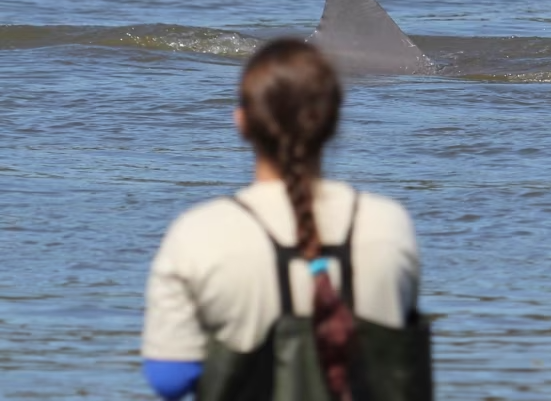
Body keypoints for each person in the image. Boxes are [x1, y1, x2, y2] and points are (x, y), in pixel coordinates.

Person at [141, 38, 420, 400]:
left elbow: (169, 378)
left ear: (242, 121)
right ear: (334, 121)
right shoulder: (388, 224)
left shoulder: (200, 232)